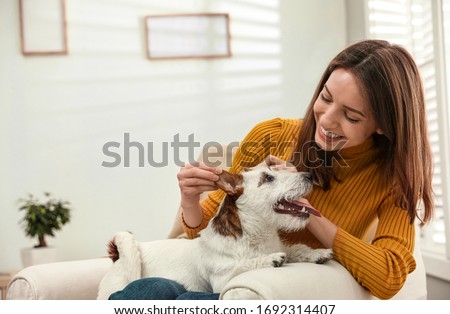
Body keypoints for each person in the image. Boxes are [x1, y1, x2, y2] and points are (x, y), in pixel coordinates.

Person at [109, 39, 433, 300]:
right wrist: (190, 199)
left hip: (281, 292)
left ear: (383, 126)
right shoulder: (273, 135)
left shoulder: (394, 181)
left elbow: (388, 278)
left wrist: (304, 209)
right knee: (148, 292)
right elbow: (202, 230)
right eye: (326, 97)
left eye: (351, 116)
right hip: (224, 278)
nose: (328, 120)